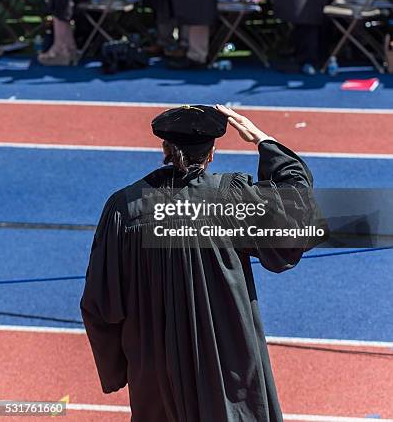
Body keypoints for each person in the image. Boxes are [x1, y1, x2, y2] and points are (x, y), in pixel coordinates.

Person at [81, 104, 326, 421]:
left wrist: (120, 368)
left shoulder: (123, 208)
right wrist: (265, 143)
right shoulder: (230, 199)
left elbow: (98, 302)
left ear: (165, 148)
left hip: (155, 367)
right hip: (225, 366)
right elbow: (296, 214)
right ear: (212, 153)